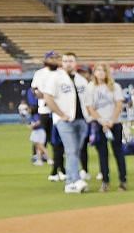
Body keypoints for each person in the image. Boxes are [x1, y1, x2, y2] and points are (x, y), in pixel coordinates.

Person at [30, 54, 91, 192]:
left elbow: (88, 100)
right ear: (62, 63)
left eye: (71, 61)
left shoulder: (81, 80)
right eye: (65, 61)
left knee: (75, 150)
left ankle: (72, 179)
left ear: (75, 63)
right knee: (70, 150)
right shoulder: (55, 78)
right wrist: (60, 114)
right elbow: (47, 97)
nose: (68, 63)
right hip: (65, 121)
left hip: (82, 120)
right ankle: (72, 181)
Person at [85, 63, 129, 191]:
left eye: (103, 70)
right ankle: (105, 181)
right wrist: (101, 121)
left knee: (118, 152)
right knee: (102, 154)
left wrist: (111, 121)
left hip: (114, 123)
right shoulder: (90, 87)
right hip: (99, 124)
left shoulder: (114, 86)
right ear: (94, 73)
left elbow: (119, 105)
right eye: (98, 70)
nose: (100, 73)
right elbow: (90, 107)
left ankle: (123, 180)